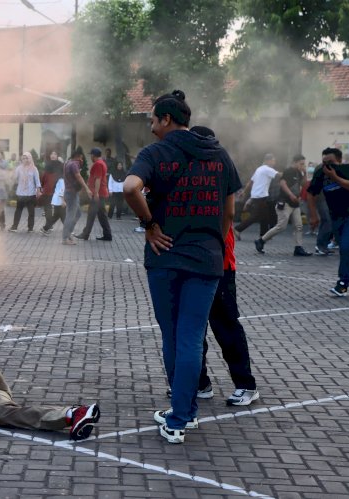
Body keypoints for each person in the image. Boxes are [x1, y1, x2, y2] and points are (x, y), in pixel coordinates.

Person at [123, 90, 241, 444]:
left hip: (166, 256)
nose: (150, 127)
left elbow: (130, 187)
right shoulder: (219, 154)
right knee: (191, 336)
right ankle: (182, 413)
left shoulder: (155, 153)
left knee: (174, 335)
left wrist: (150, 226)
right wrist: (214, 244)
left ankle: (180, 417)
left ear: (167, 120)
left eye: (153, 120)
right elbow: (230, 212)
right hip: (206, 258)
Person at [188, 125, 260, 407]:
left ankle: (246, 384)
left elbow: (229, 212)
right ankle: (200, 383)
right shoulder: (191, 171)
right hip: (194, 260)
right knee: (194, 328)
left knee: (225, 324)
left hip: (220, 262)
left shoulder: (219, 168)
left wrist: (215, 247)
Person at [306, 147, 349, 297]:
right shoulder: (321, 173)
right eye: (324, 162)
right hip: (337, 217)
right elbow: (311, 194)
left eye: (331, 162)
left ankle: (342, 284)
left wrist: (335, 177)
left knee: (346, 247)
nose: (328, 166)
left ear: (339, 160)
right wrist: (313, 215)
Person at [254, 154, 313, 256]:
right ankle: (261, 240)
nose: (302, 165)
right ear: (295, 163)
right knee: (281, 226)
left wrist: (304, 173)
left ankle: (298, 247)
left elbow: (303, 184)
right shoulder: (289, 171)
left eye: (304, 164)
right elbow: (283, 183)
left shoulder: (299, 172)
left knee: (298, 226)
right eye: (301, 164)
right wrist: (290, 195)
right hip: (285, 202)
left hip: (295, 203)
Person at [234, 154, 279, 238]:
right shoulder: (267, 169)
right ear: (268, 160)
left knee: (264, 216)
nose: (274, 162)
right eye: (273, 160)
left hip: (256, 195)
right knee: (256, 216)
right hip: (261, 196)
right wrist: (288, 174)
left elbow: (250, 182)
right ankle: (238, 229)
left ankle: (264, 235)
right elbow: (278, 175)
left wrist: (244, 192)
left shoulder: (259, 169)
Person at [74, 148, 112, 241]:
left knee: (91, 214)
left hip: (98, 194)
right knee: (102, 215)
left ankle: (85, 234)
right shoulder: (102, 162)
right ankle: (107, 235)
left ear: (94, 155)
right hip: (101, 193)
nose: (90, 156)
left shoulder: (98, 164)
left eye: (91, 154)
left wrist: (95, 193)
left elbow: (98, 179)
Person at [61, 150, 92, 245]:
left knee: (78, 213)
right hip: (71, 193)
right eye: (81, 158)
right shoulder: (74, 164)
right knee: (70, 215)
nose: (82, 160)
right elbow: (78, 177)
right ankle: (65, 238)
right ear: (78, 156)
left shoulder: (68, 162)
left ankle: (68, 232)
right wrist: (87, 189)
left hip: (71, 192)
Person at [8, 152, 41, 232]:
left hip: (31, 193)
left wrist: (38, 191)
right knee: (18, 211)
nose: (25, 160)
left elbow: (37, 181)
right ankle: (14, 227)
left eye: (27, 158)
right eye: (23, 158)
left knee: (31, 212)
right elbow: (14, 178)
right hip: (21, 194)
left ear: (30, 159)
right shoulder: (19, 168)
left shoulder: (34, 169)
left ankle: (30, 228)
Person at [40, 162, 66, 234]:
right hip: (59, 201)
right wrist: (63, 201)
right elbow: (61, 191)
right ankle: (69, 230)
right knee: (63, 216)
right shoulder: (61, 180)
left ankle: (45, 228)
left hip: (56, 201)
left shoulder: (59, 178)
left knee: (56, 216)